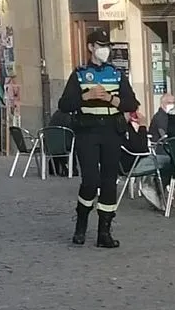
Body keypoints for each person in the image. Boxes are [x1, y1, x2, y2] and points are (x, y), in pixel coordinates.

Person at [57, 27, 137, 248]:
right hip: (88, 132)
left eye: (107, 46)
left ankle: (104, 232)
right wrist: (86, 96)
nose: (105, 50)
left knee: (109, 181)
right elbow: (64, 105)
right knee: (91, 180)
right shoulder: (80, 74)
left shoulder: (116, 73)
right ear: (91, 47)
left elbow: (131, 104)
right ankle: (81, 224)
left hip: (112, 130)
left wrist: (110, 99)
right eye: (101, 46)